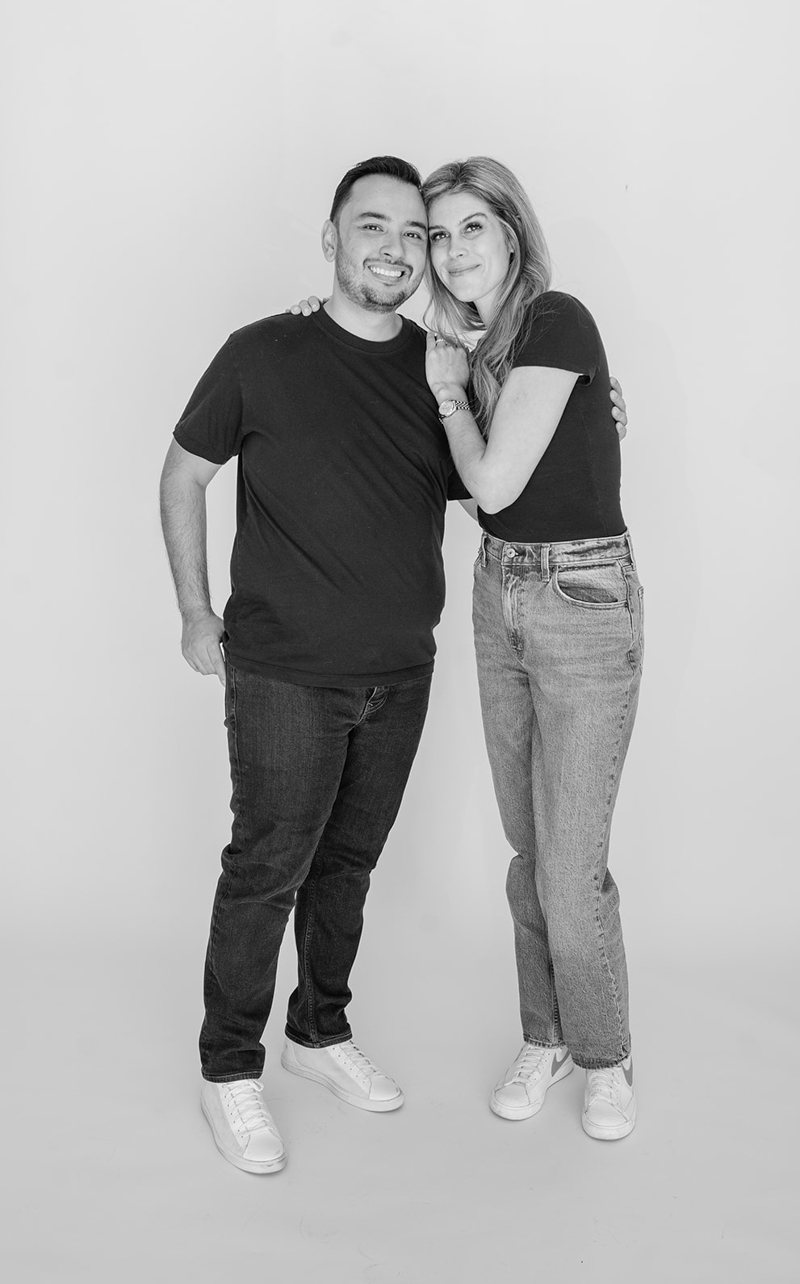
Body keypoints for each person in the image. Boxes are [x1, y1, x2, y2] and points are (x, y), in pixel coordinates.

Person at [160, 156, 629, 1175]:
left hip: (400, 672)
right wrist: (197, 611)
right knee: (265, 867)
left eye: (415, 233)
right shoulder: (260, 351)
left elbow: (493, 487)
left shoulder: (441, 365)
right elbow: (184, 474)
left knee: (347, 868)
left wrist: (588, 416)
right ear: (330, 237)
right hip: (283, 667)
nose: (396, 247)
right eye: (370, 226)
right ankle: (229, 1066)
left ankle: (318, 1032)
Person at [421, 157, 643, 1141]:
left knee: (567, 863)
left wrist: (446, 400)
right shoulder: (464, 352)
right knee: (526, 849)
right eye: (437, 234)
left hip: (581, 597)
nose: (453, 249)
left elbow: (496, 482)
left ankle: (602, 1056)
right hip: (495, 594)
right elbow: (473, 496)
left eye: (472, 226)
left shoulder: (556, 319)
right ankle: (543, 1033)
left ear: (512, 234)